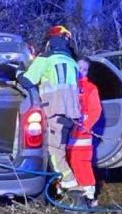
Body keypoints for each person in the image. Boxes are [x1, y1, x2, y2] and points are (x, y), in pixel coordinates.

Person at [20, 25, 82, 193]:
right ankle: (62, 186)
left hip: (55, 111)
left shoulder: (45, 59)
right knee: (61, 149)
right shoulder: (72, 62)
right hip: (72, 114)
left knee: (55, 151)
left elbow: (27, 81)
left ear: (50, 42)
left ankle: (72, 187)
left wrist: (19, 73)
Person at [67, 59, 103, 207]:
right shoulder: (68, 86)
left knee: (82, 164)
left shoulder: (90, 88)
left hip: (82, 135)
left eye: (84, 69)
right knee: (70, 163)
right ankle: (74, 194)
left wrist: (85, 126)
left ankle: (89, 195)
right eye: (78, 68)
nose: (81, 72)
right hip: (68, 134)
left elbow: (96, 111)